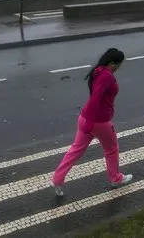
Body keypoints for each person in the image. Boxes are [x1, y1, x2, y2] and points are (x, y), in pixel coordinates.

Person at [50, 48, 133, 196]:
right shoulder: (107, 76)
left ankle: (57, 179)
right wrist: (91, 122)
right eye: (119, 65)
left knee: (75, 150)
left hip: (84, 118)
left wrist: (88, 122)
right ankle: (116, 178)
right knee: (111, 149)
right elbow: (96, 98)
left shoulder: (98, 71)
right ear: (113, 63)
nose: (119, 68)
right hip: (98, 121)